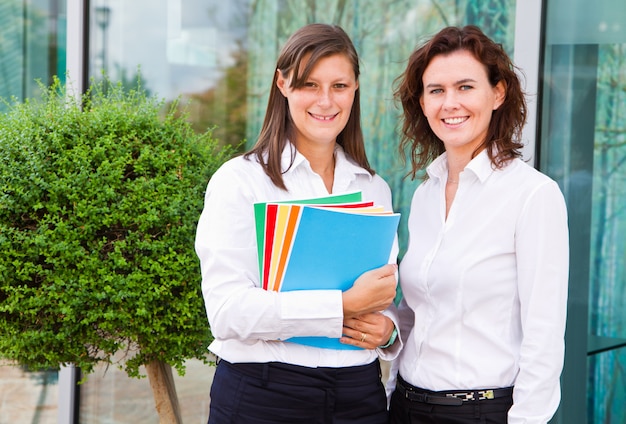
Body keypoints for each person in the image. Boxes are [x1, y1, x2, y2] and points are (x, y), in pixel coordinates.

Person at [194, 23, 401, 424]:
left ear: (355, 88)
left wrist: (388, 331)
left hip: (360, 394)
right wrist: (340, 306)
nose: (326, 101)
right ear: (282, 84)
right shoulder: (240, 181)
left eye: (339, 85)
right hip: (265, 393)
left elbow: (382, 297)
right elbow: (226, 312)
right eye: (309, 84)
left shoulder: (374, 188)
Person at [387, 25, 569, 423]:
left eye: (465, 87)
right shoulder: (425, 195)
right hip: (404, 407)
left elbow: (545, 336)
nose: (449, 103)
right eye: (436, 90)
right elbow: (417, 312)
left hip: (482, 412)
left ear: (498, 93)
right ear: (421, 101)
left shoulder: (533, 195)